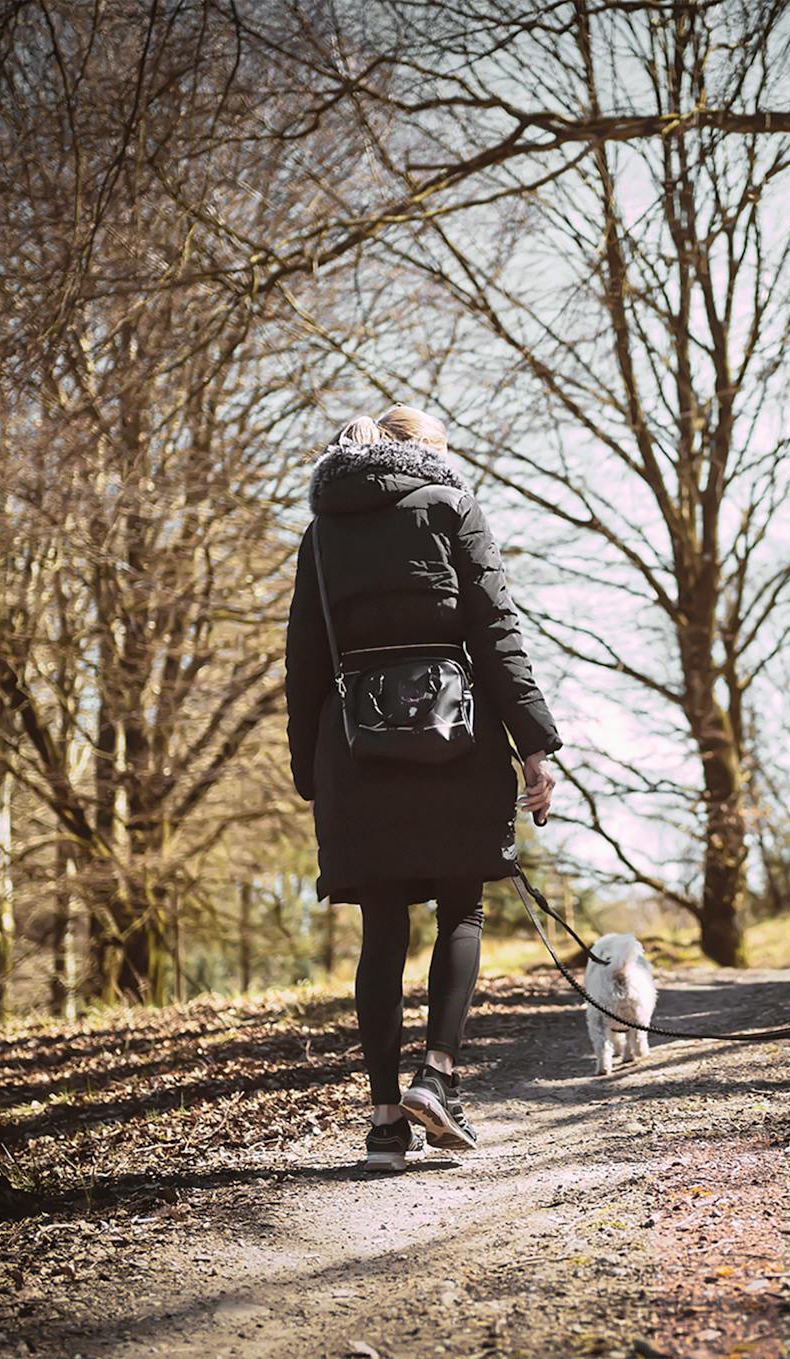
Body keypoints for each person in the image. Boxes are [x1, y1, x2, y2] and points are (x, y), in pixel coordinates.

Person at [286, 404, 560, 1168]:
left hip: (356, 751)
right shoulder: (452, 509)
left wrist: (311, 770)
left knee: (382, 928)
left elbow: (303, 659)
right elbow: (497, 630)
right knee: (460, 906)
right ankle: (436, 1075)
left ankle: (383, 1123)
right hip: (456, 738)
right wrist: (535, 744)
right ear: (427, 454)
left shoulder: (321, 532)